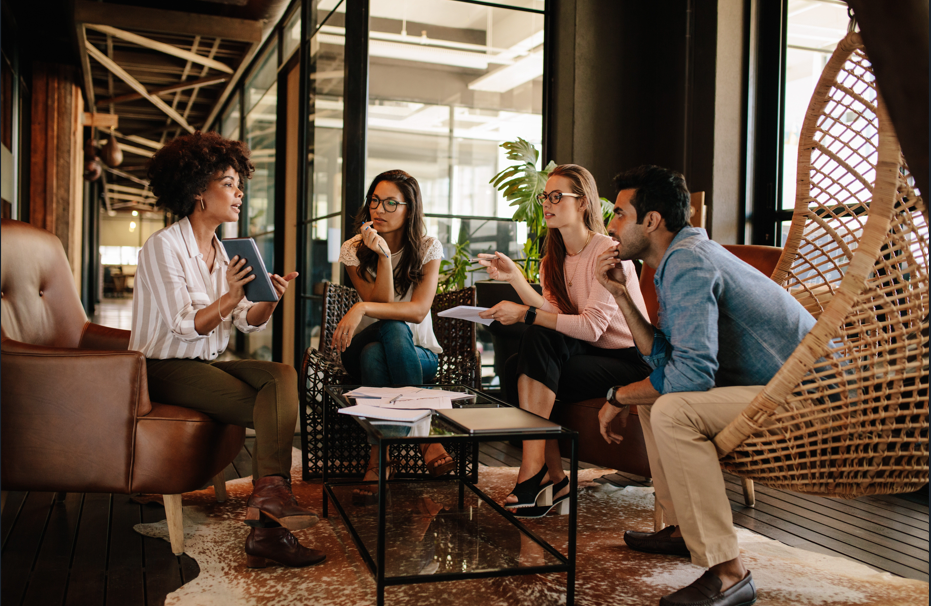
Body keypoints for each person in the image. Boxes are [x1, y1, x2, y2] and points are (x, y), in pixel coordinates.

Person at [594, 165, 816, 606]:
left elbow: (691, 376)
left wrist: (615, 396)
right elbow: (665, 361)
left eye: (619, 214)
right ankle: (681, 528)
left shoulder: (689, 261)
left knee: (673, 408)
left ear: (652, 220)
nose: (610, 225)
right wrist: (620, 294)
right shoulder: (679, 258)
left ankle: (728, 573)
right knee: (655, 402)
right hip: (773, 389)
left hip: (811, 399)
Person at [131, 131, 325, 569]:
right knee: (267, 401)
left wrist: (267, 300)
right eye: (228, 183)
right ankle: (269, 526)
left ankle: (269, 500)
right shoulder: (163, 248)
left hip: (206, 363)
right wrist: (234, 296)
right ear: (198, 190)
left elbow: (244, 321)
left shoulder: (228, 252)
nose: (239, 193)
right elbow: (184, 326)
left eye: (240, 184)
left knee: (283, 375)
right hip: (161, 367)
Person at [477, 164, 651, 518]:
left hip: (630, 360)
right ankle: (553, 477)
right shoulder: (552, 258)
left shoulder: (607, 253)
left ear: (584, 203)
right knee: (517, 365)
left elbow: (591, 329)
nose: (547, 203)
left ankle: (537, 473)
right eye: (546, 196)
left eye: (558, 196)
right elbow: (554, 312)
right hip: (591, 354)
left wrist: (524, 312)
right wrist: (516, 279)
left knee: (533, 344)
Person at [335, 169, 455, 504]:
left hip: (419, 354)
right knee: (388, 330)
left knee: (381, 351)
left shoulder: (429, 247)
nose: (379, 210)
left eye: (391, 203)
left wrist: (360, 308)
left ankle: (380, 457)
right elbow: (384, 306)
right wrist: (383, 256)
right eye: (375, 201)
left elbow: (417, 312)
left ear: (409, 209)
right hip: (357, 348)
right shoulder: (353, 249)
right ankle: (425, 436)